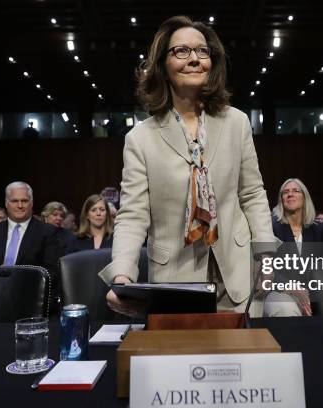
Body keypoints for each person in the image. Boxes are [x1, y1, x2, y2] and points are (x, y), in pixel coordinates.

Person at [101, 16, 276, 316]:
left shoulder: (237, 122)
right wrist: (122, 276)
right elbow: (132, 216)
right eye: (182, 51)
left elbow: (252, 194)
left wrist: (268, 257)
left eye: (203, 51)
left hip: (239, 272)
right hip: (175, 282)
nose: (194, 59)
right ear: (162, 65)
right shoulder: (140, 139)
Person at [0, 182, 61, 307]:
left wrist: (17, 279)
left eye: (24, 201)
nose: (20, 205)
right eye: (14, 201)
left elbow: (52, 271)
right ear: (6, 203)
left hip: (30, 298)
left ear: (32, 203)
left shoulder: (47, 232)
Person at [268, 178, 317, 316]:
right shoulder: (270, 228)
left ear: (305, 198)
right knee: (285, 309)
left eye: (296, 191)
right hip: (278, 290)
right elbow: (264, 267)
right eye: (285, 192)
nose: (290, 194)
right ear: (281, 199)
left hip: (312, 292)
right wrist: (290, 286)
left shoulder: (318, 230)